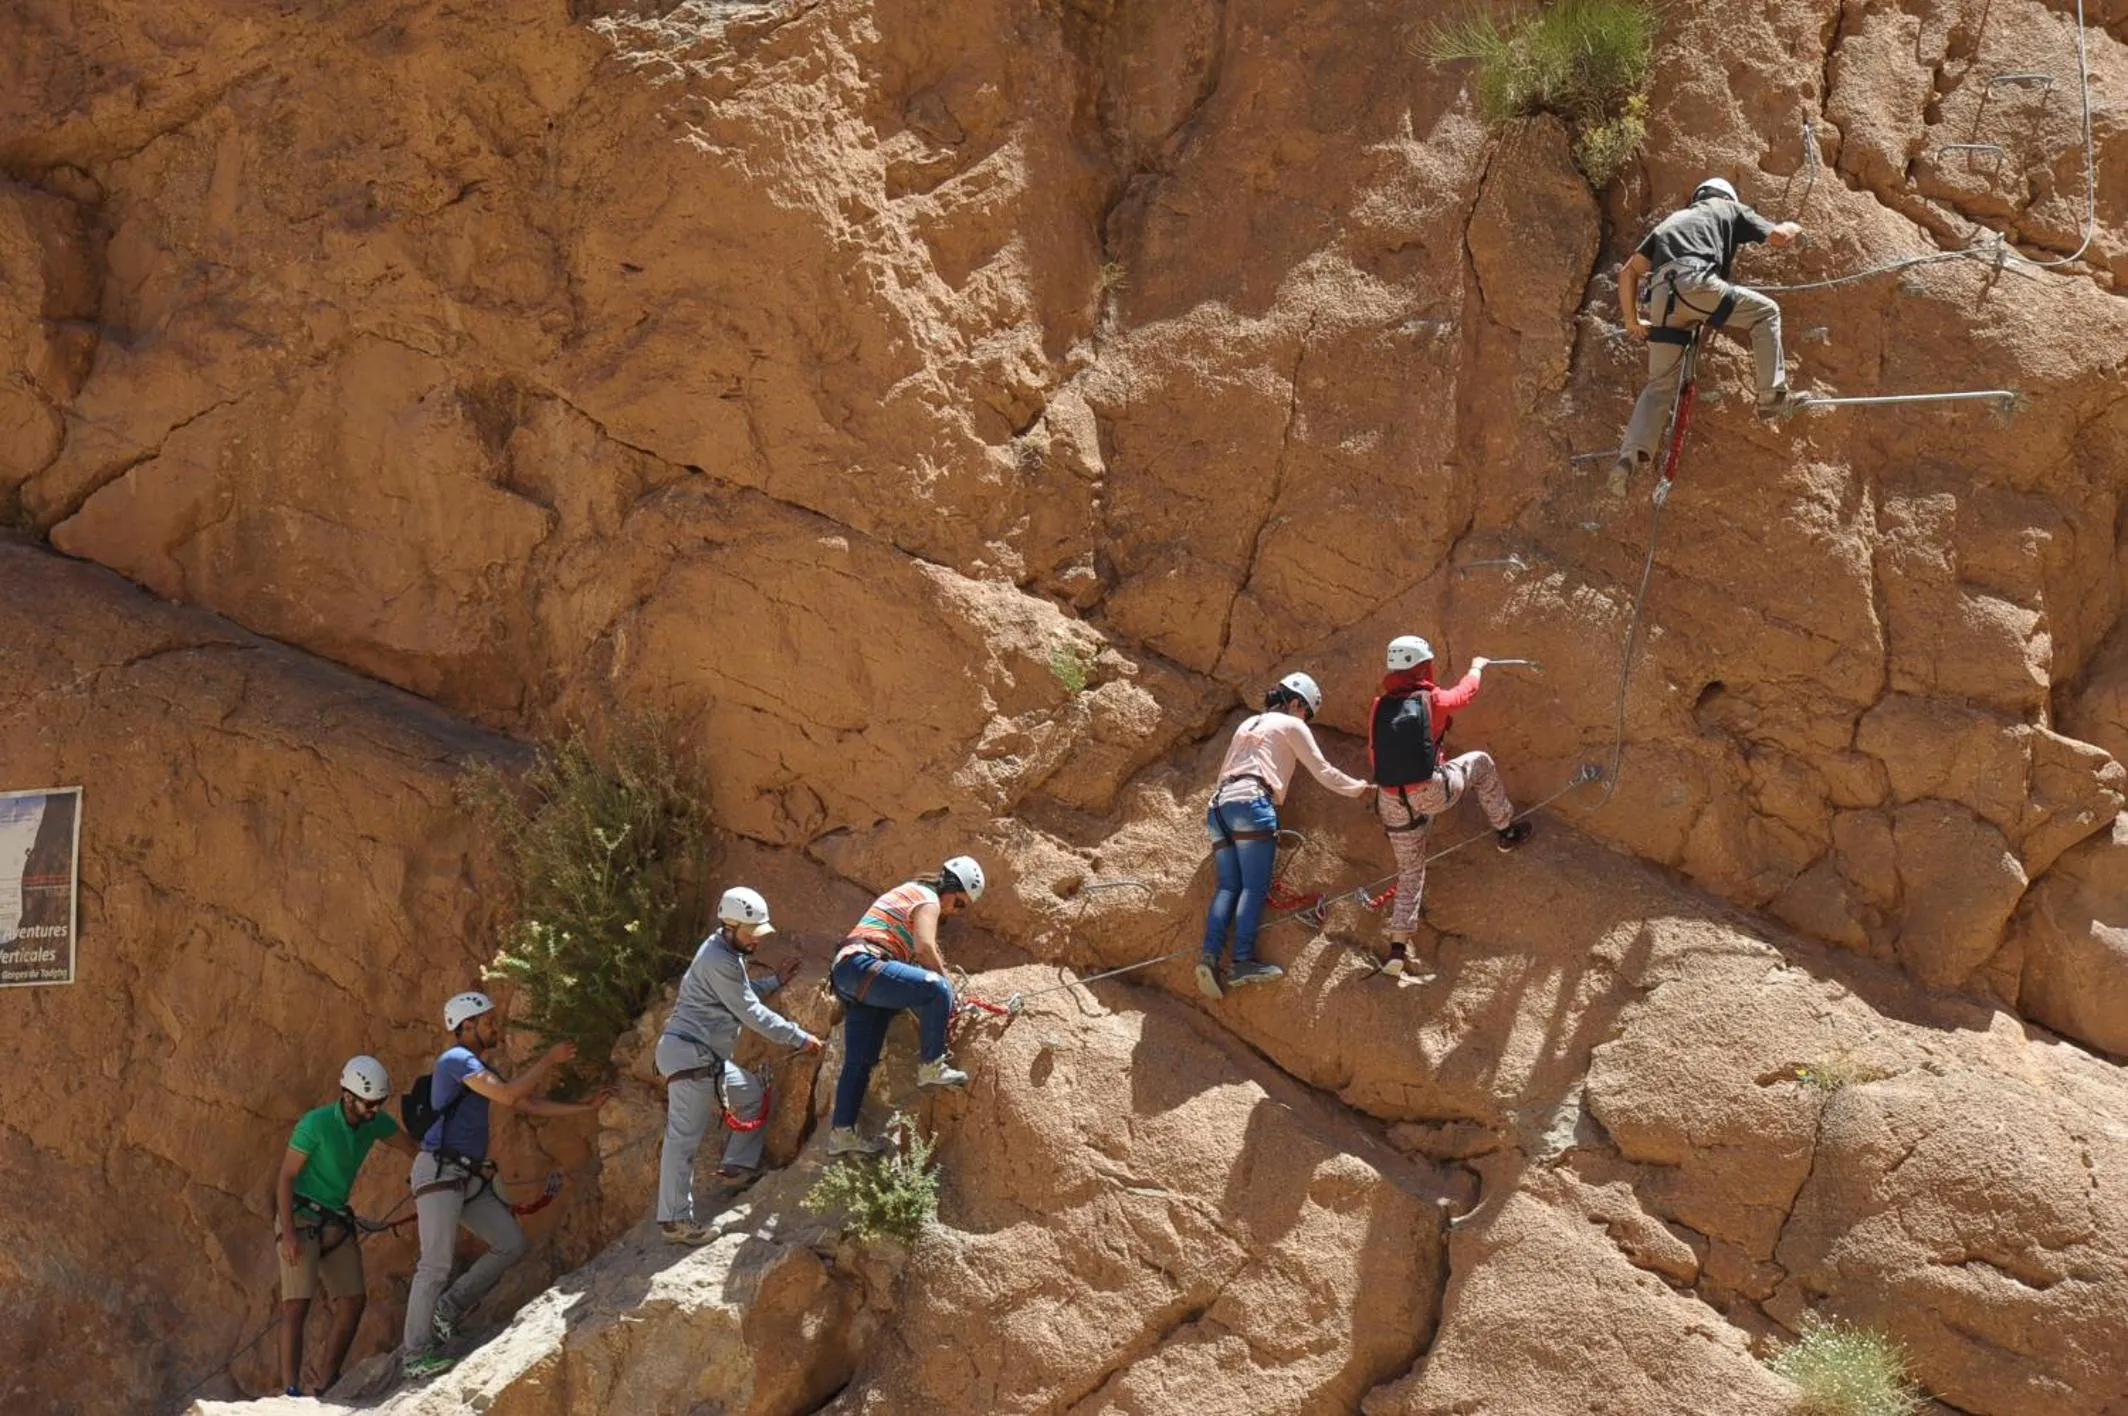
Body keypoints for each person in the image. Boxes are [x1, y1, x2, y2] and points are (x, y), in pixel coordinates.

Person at [400, 991, 612, 1380]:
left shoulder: (475, 1065)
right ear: (467, 1026)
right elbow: (511, 1095)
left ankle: (448, 1307)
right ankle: (414, 1355)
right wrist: (548, 1060)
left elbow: (524, 1103)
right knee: (434, 1264)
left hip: (463, 1176)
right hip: (440, 1173)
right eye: (487, 1021)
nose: (494, 1027)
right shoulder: (455, 1060)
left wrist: (584, 1108)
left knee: (511, 1243)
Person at [1612, 177, 1805, 495]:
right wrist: (1794, 226)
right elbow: (1778, 237)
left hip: (1661, 297)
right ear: (1727, 196)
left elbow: (1628, 271)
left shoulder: (1671, 222)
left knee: (1660, 385)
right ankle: (1772, 397)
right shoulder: (1728, 208)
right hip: (1697, 282)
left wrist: (1632, 321)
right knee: (1766, 312)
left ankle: (1627, 458)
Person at [656, 886, 825, 1244]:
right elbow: (750, 1012)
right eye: (751, 933)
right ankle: (674, 1222)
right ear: (729, 926)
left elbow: (737, 993)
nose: (756, 940)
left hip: (703, 1058)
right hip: (691, 1057)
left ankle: (737, 1168)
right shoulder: (719, 958)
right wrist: (799, 1037)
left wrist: (774, 982)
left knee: (751, 1094)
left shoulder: (724, 951)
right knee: (682, 1140)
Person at [1197, 672, 1370, 999]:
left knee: (1228, 886)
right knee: (1253, 887)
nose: (1306, 719)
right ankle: (1242, 961)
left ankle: (1209, 956)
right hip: (1251, 803)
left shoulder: (1247, 724)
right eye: (1306, 712)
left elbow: (1223, 774)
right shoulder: (1292, 724)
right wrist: (1358, 789)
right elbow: (1323, 771)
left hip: (1218, 806)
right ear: (1295, 703)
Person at [1368, 637, 1532, 977]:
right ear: (1423, 666)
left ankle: (1397, 948)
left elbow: (1374, 752)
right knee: (1481, 763)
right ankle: (1506, 831)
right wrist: (1477, 667)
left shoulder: (1380, 706)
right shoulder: (1432, 699)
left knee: (1410, 871)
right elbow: (1463, 695)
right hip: (1429, 791)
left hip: (1390, 799)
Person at [273, 1055, 418, 1397]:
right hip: (302, 1215)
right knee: (296, 1304)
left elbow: (410, 1147)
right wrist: (288, 1233)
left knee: (353, 1300)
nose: (374, 1110)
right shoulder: (316, 1124)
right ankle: (291, 1391)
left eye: (379, 1103)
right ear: (348, 1096)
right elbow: (286, 1177)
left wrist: (433, 1166)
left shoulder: (375, 1122)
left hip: (335, 1219)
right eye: (369, 1103)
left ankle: (327, 1381)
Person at [825, 857, 984, 1157]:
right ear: (950, 886)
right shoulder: (927, 897)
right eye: (959, 903)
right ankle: (932, 1065)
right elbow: (924, 948)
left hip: (852, 974)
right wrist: (948, 988)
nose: (955, 911)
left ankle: (841, 1134)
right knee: (936, 987)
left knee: (860, 1061)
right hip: (864, 964)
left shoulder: (910, 895)